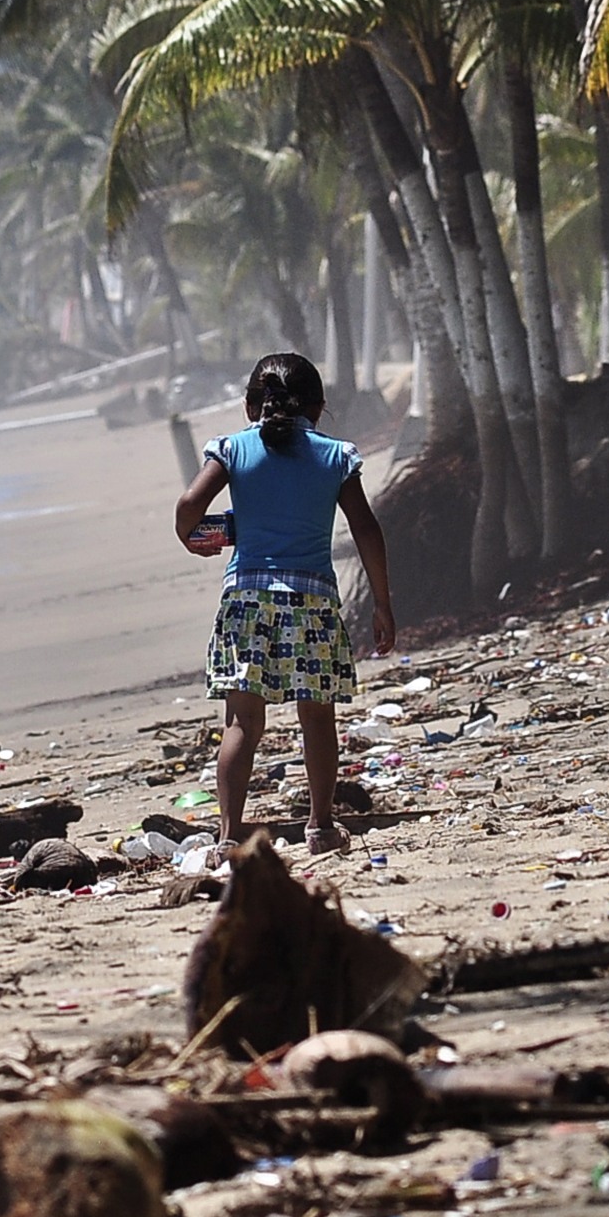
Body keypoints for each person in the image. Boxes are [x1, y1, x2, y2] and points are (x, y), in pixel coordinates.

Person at [174, 352, 395, 857]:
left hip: (246, 599)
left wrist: (193, 536)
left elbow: (190, 507)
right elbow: (367, 529)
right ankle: (320, 827)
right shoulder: (336, 456)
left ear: (252, 406)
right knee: (317, 718)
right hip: (312, 601)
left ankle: (228, 837)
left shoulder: (231, 449)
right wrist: (382, 603)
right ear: (317, 409)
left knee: (242, 725)